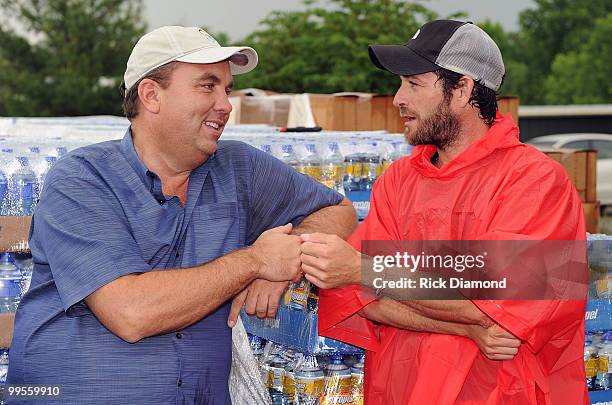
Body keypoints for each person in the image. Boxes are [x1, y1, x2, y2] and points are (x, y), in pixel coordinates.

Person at [6, 26, 356, 404]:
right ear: (151, 95)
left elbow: (338, 209)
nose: (225, 105)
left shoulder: (239, 168)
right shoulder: (82, 178)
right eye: (207, 86)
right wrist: (256, 262)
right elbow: (131, 313)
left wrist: (292, 257)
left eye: (227, 89)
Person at [298, 20, 588, 404]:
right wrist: (465, 327)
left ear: (463, 88)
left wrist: (369, 271)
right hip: (402, 388)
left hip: (497, 393)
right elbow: (358, 298)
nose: (399, 98)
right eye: (401, 84)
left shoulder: (536, 182)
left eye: (414, 84)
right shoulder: (398, 181)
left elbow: (496, 307)